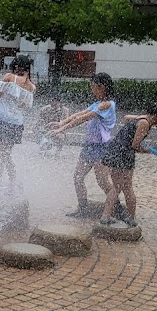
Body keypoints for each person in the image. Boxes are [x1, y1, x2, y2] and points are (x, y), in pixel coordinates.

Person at [47, 74, 117, 217]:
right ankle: (83, 209)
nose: (92, 90)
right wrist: (61, 123)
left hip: (102, 148)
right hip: (89, 146)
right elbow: (79, 114)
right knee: (78, 177)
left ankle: (117, 209)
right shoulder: (97, 103)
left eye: (93, 87)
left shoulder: (107, 105)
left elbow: (83, 118)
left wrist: (62, 129)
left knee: (102, 181)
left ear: (101, 87)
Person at [99, 100, 157, 226]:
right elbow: (135, 145)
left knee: (117, 187)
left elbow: (126, 118)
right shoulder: (144, 123)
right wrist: (146, 150)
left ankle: (106, 216)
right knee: (127, 188)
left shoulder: (142, 118)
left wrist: (133, 132)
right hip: (124, 156)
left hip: (115, 152)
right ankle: (131, 218)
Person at [0, 55, 36, 188]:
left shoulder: (10, 77)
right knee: (6, 155)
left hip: (2, 120)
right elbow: (23, 105)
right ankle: (12, 183)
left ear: (16, 67)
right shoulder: (32, 87)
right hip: (16, 124)